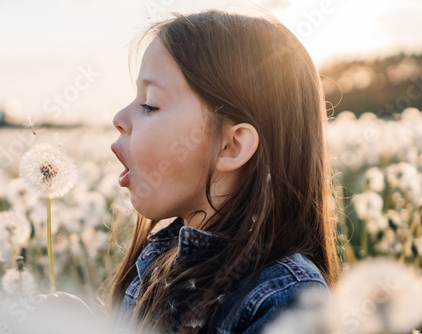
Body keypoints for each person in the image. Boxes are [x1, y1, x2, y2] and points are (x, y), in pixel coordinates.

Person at [108, 9, 339, 334]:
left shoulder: (286, 299)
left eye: (150, 104)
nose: (119, 117)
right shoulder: (155, 262)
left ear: (231, 146)